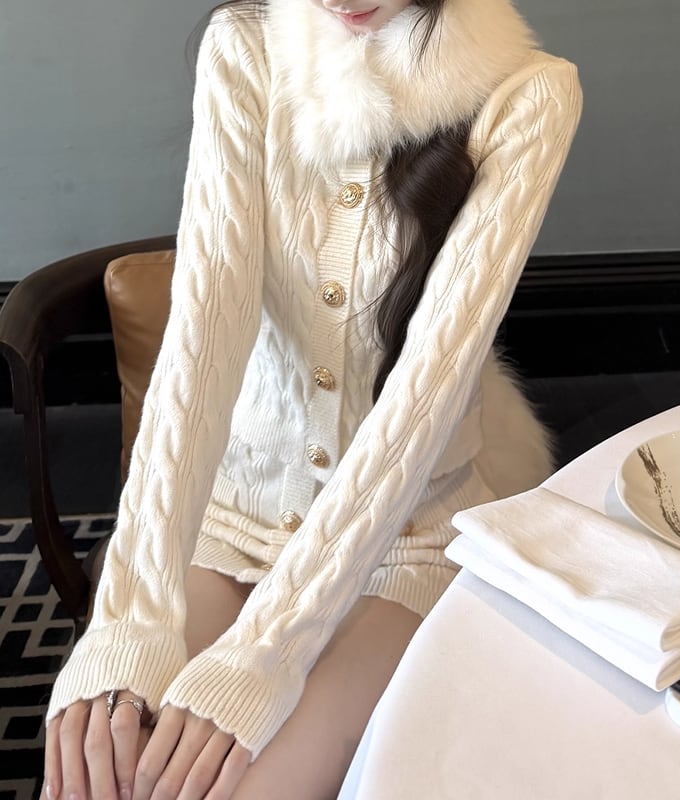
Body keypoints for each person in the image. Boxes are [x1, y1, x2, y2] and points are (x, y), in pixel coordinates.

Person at [42, 0, 582, 797]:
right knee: (105, 769)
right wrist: (128, 619)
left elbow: (423, 400)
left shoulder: (530, 94)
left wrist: (264, 653)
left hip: (400, 539)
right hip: (228, 517)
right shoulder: (246, 48)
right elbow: (202, 341)